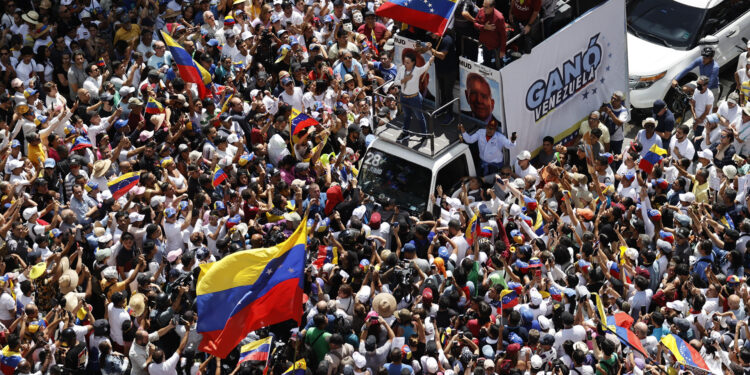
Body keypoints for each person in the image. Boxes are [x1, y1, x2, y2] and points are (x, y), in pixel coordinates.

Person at [394, 50, 435, 144]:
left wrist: (430, 61)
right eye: (404, 62)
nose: (405, 64)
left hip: (414, 98)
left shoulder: (417, 70)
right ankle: (405, 132)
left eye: (408, 62)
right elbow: (395, 82)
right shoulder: (401, 69)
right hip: (404, 97)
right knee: (406, 116)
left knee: (419, 117)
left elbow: (425, 67)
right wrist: (405, 79)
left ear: (413, 63)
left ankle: (424, 135)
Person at [473, 0, 507, 69]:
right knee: (486, 63)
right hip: (485, 45)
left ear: (492, 7)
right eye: (483, 6)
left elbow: (503, 35)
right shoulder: (481, 11)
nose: (483, 9)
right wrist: (484, 27)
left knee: (499, 65)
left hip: (496, 47)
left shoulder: (499, 18)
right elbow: (475, 23)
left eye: (486, 7)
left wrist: (502, 50)